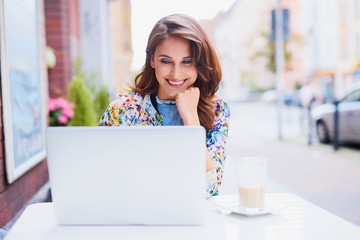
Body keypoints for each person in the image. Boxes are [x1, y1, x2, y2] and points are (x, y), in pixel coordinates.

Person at [98, 14, 230, 197]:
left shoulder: (216, 109)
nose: (176, 74)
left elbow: (209, 187)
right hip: (134, 215)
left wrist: (191, 119)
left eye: (187, 61)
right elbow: (99, 176)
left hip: (193, 220)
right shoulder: (123, 109)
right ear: (152, 60)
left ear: (199, 63)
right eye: (166, 61)